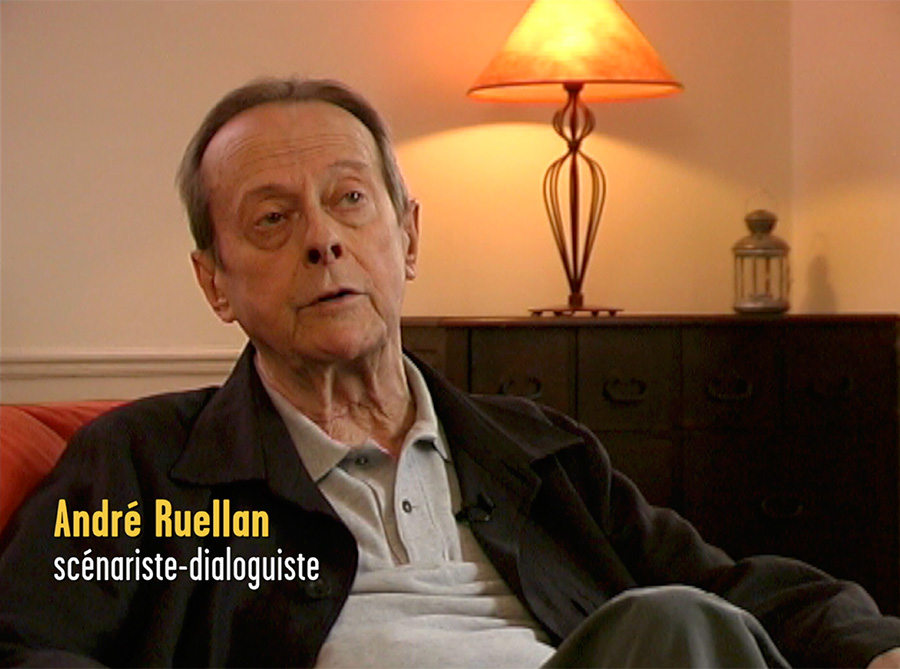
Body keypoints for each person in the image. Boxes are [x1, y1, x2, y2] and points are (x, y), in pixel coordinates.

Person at [1, 76, 899, 668]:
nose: (323, 239)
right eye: (272, 219)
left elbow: (726, 588)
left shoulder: (536, 450)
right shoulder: (145, 467)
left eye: (351, 199)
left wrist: (872, 647)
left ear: (408, 237)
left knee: (676, 621)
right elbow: (30, 642)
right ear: (215, 284)